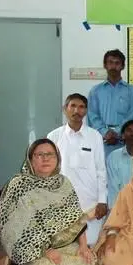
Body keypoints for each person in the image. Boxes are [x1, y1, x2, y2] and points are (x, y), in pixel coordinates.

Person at [0, 139, 103, 265]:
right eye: (39, 155)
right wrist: (45, 251)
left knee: (88, 261)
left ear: (57, 158)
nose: (45, 158)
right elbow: (13, 229)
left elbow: (76, 219)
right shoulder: (19, 185)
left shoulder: (63, 183)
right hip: (31, 250)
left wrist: (83, 247)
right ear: (30, 159)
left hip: (60, 244)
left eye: (50, 154)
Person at [47, 93, 107, 246]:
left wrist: (102, 200)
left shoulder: (95, 136)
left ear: (86, 111)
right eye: (72, 106)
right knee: (64, 245)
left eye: (81, 107)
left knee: (90, 243)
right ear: (65, 109)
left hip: (89, 202)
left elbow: (101, 170)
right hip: (62, 202)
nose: (76, 111)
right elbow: (47, 171)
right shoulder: (54, 136)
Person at [87, 49, 133, 157]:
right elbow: (92, 116)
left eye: (117, 63)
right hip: (101, 142)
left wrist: (118, 133)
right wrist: (105, 132)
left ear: (123, 66)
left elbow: (132, 115)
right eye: (110, 62)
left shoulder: (131, 91)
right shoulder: (95, 91)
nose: (113, 66)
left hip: (124, 142)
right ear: (105, 65)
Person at [106, 119, 133, 208]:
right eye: (129, 130)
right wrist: (115, 211)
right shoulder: (113, 157)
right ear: (122, 135)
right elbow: (113, 188)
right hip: (121, 207)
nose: (132, 134)